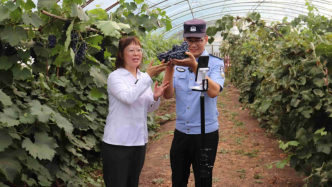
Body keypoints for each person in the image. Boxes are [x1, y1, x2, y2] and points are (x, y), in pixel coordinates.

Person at [162, 19, 225, 187]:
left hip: (205, 133)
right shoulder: (178, 62)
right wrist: (169, 68)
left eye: (198, 40)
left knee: (203, 180)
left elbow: (213, 91)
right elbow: (168, 95)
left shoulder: (215, 63)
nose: (194, 44)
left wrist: (194, 66)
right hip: (182, 131)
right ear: (184, 41)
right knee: (178, 179)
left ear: (206, 39)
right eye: (189, 40)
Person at [102, 36, 170, 187]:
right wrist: (148, 76)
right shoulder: (115, 77)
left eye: (138, 50)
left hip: (139, 142)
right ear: (121, 54)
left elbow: (147, 108)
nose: (136, 53)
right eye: (130, 50)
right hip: (118, 144)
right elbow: (128, 98)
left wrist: (155, 97)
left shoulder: (141, 77)